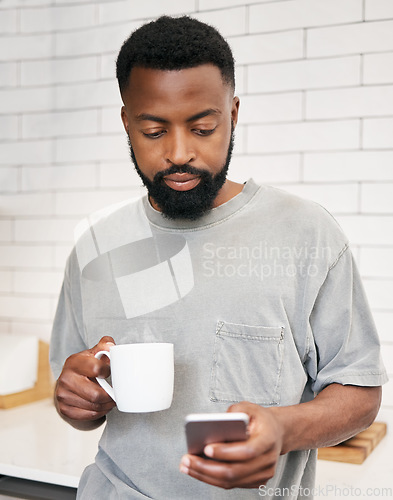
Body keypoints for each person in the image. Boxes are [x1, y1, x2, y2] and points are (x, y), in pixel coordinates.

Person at [50, 15, 387, 499]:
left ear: (233, 114)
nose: (179, 152)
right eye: (153, 131)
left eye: (203, 128)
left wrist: (283, 428)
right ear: (126, 122)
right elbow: (74, 394)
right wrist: (75, 402)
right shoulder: (94, 247)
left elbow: (359, 392)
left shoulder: (306, 232)